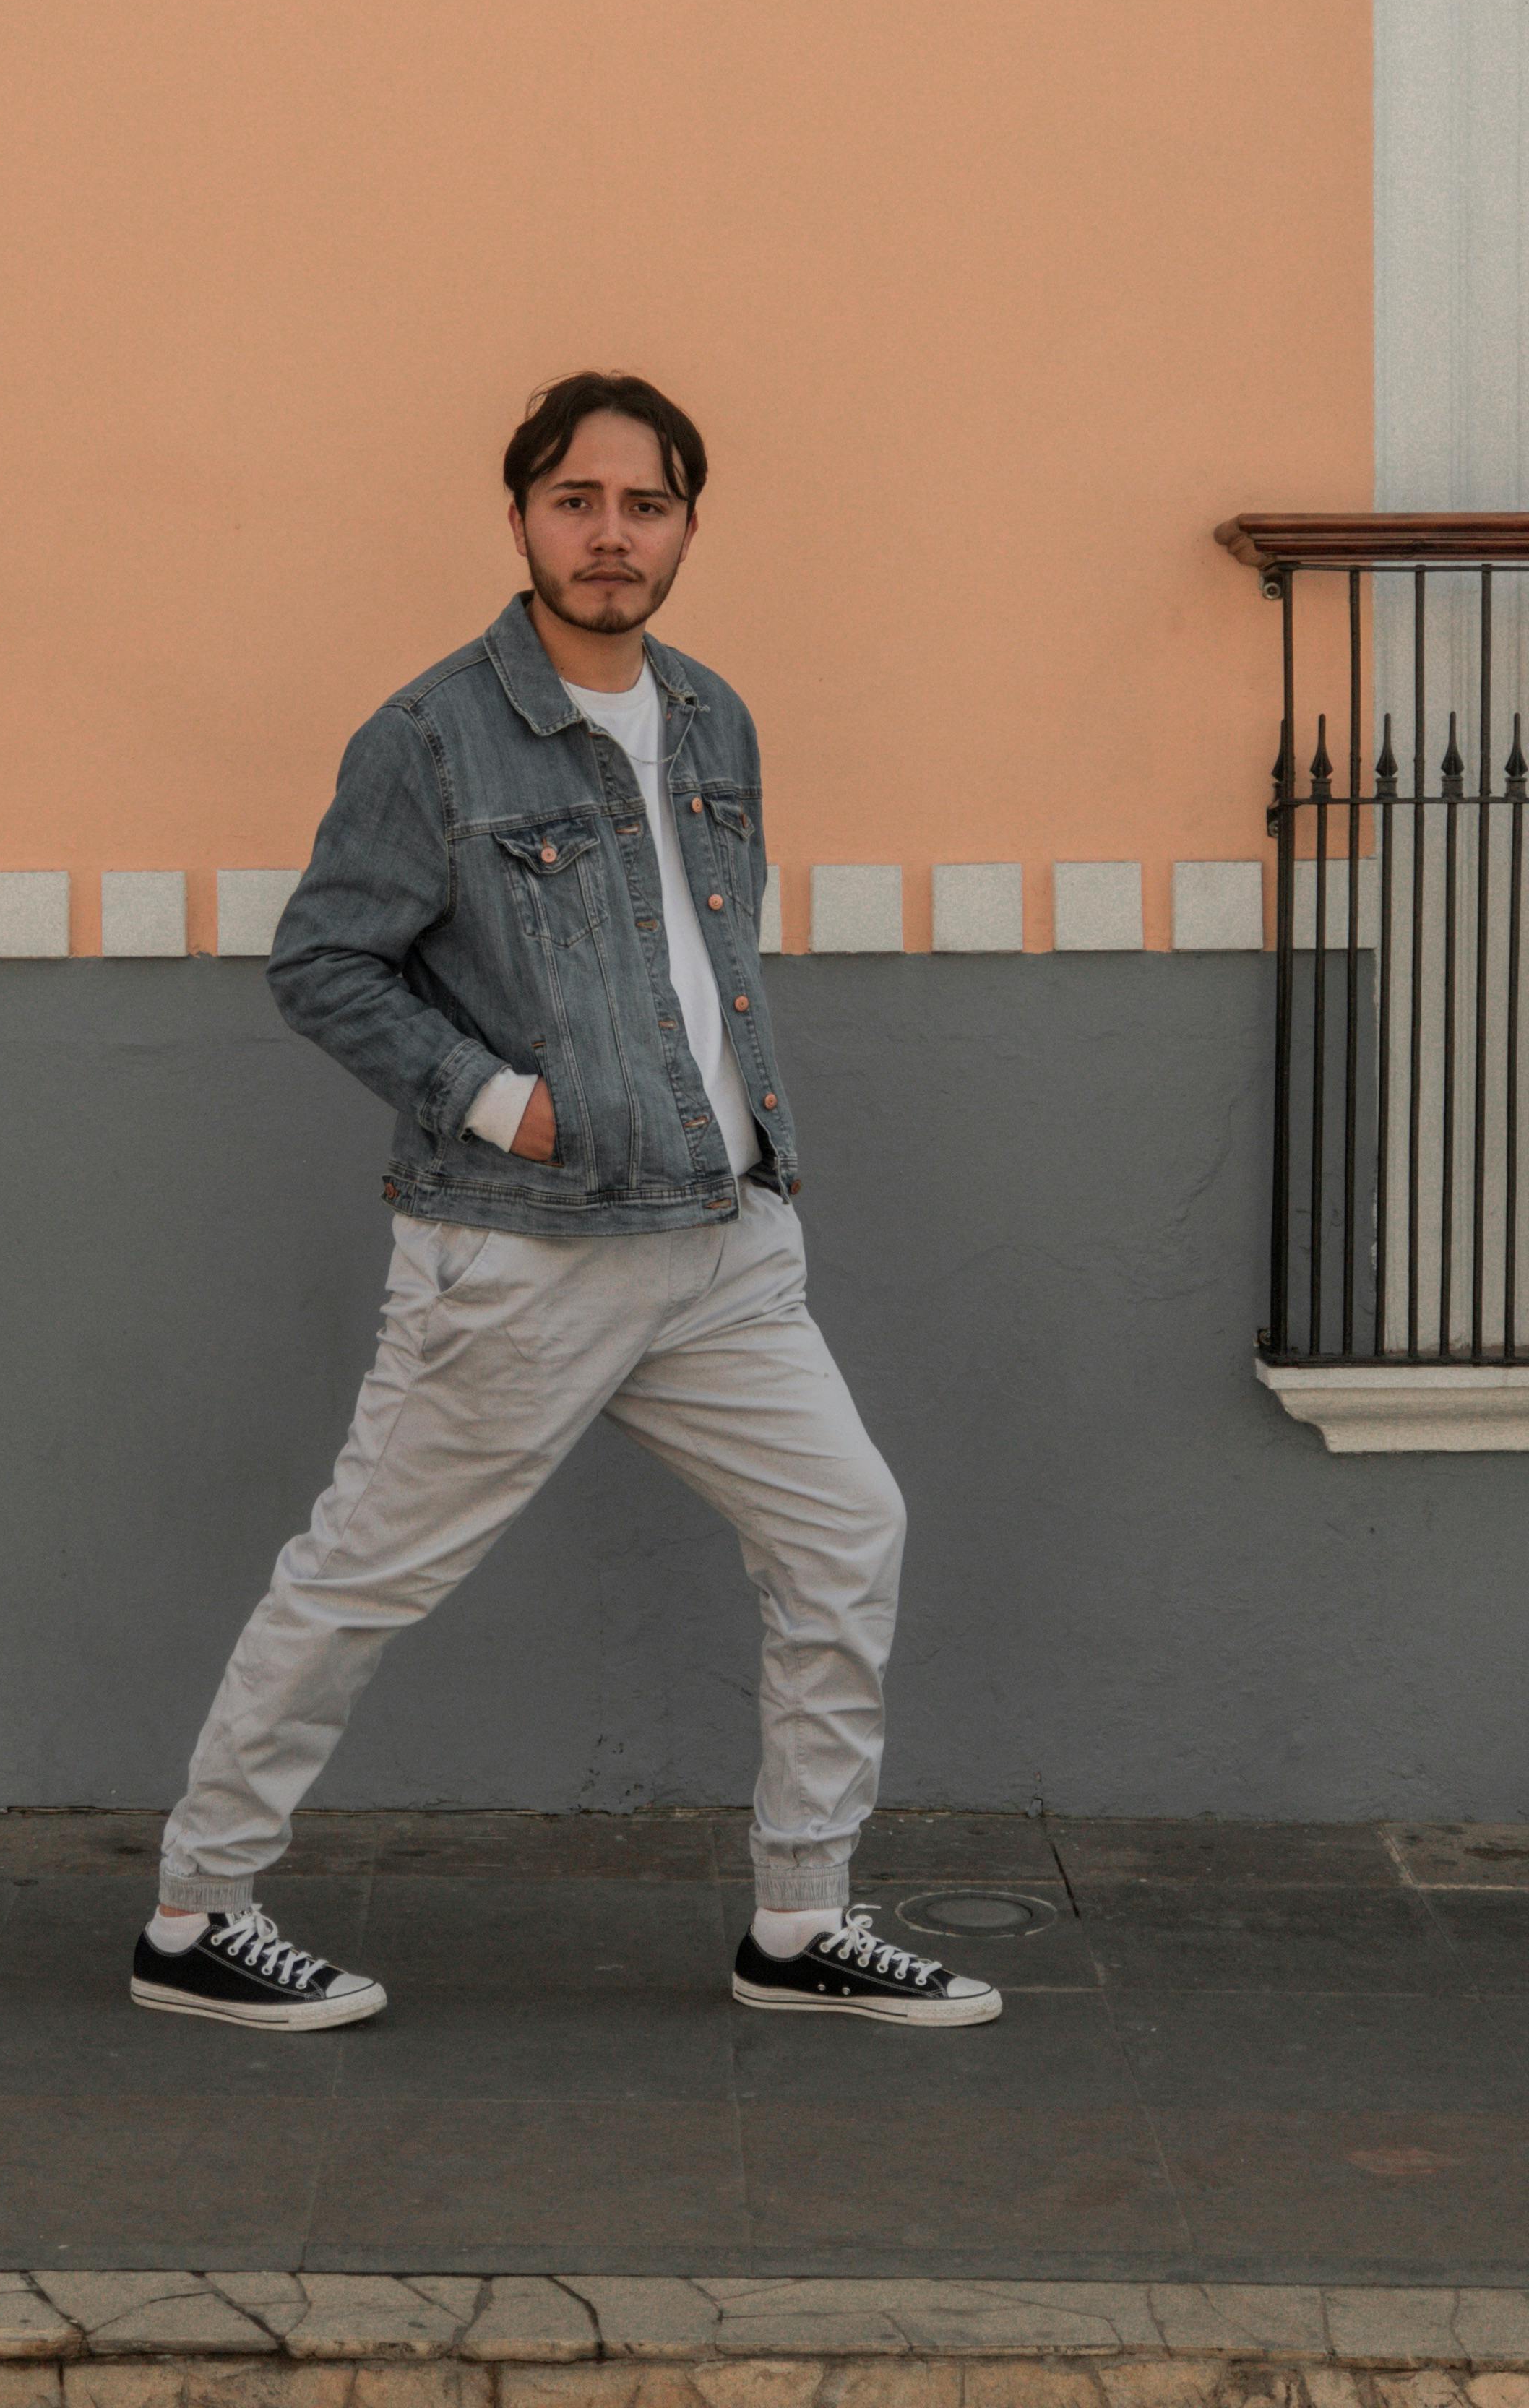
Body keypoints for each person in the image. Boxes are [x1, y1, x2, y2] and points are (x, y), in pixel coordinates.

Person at [129, 372, 1001, 2037]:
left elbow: (704, 959)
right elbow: (321, 961)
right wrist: (506, 1101)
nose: (614, 535)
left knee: (847, 1532)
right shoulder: (432, 734)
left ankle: (802, 1921)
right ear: (521, 513)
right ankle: (198, 1907)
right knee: (364, 1575)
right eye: (579, 501)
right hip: (520, 1258)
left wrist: (739, 1146)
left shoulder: (716, 715)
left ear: (687, 523)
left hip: (726, 1239)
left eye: (648, 504)